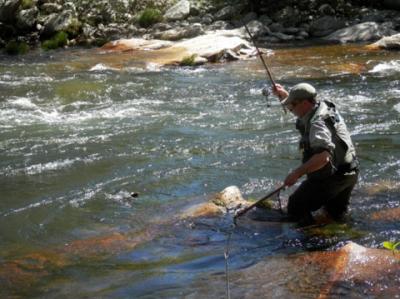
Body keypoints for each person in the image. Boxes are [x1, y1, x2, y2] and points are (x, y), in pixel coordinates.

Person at [273, 82, 359, 226]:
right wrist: (284, 95)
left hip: (333, 177)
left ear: (305, 103)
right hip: (350, 171)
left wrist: (296, 173)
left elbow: (323, 157)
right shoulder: (323, 106)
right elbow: (298, 107)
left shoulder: (317, 124)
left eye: (293, 104)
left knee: (296, 206)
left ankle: (310, 243)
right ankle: (345, 240)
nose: (291, 109)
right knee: (335, 215)